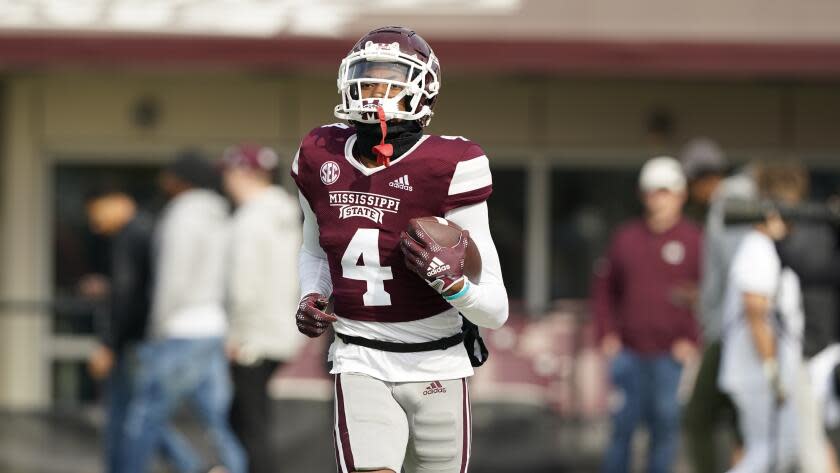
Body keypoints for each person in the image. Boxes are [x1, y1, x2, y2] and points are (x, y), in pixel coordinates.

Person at [291, 26, 509, 473]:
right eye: (366, 79)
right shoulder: (320, 153)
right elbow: (314, 251)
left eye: (389, 79)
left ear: (423, 90)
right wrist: (310, 294)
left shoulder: (450, 165)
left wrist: (453, 285)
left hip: (438, 359)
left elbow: (496, 309)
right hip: (359, 354)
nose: (374, 91)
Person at [121, 152, 246, 473]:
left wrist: (156, 327)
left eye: (169, 176)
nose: (164, 183)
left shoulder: (181, 215)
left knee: (143, 417)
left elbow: (173, 277)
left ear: (182, 180)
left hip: (181, 328)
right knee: (216, 422)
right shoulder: (221, 214)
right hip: (213, 326)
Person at [591, 156, 702, 473]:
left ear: (680, 195)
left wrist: (692, 338)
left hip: (672, 358)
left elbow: (709, 296)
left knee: (665, 431)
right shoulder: (626, 238)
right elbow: (604, 291)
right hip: (628, 354)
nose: (657, 198)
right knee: (621, 431)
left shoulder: (695, 240)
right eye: (651, 191)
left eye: (664, 190)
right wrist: (607, 334)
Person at [84, 186, 197, 473]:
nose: (94, 223)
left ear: (119, 200)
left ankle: (193, 466)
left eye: (97, 212)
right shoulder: (147, 231)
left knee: (137, 418)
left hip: (137, 343)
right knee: (137, 417)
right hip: (144, 340)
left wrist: (110, 344)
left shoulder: (132, 234)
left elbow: (129, 295)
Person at [220, 144, 306, 473]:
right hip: (281, 330)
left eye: (230, 173)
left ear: (245, 173)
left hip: (252, 336)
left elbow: (243, 284)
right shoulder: (286, 214)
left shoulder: (250, 218)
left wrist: (237, 334)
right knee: (245, 418)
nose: (227, 181)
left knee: (248, 423)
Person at [717, 198, 802, 473]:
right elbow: (755, 312)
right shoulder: (759, 248)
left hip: (759, 371)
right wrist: (772, 370)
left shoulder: (766, 249)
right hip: (757, 372)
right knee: (775, 448)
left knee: (773, 449)